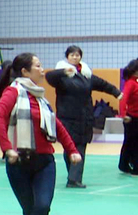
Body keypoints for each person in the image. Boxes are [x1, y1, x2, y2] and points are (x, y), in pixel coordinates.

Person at [0, 53, 81, 215]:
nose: (42, 69)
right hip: (19, 161)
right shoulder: (13, 93)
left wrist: (72, 150)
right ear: (25, 72)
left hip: (45, 161)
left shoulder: (40, 97)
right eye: (38, 66)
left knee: (43, 205)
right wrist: (7, 148)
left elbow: (56, 124)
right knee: (30, 209)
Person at [47, 46, 120, 188]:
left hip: (84, 118)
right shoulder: (61, 75)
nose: (75, 57)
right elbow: (49, 77)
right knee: (70, 147)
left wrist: (116, 92)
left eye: (77, 55)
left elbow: (102, 84)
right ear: (67, 57)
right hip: (67, 118)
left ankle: (74, 179)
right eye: (72, 55)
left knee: (80, 147)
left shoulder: (86, 74)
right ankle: (73, 176)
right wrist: (64, 72)